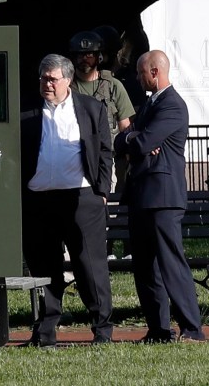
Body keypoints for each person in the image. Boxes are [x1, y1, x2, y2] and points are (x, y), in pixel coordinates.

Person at [20, 53, 114, 348]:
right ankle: (45, 332)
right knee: (44, 268)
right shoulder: (26, 111)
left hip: (82, 199)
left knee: (90, 265)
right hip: (38, 201)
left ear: (68, 80)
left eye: (52, 79)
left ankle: (102, 330)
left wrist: (101, 191)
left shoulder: (89, 108)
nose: (47, 84)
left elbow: (105, 151)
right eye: (43, 78)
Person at [114, 49, 206, 343]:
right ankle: (158, 329)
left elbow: (141, 142)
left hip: (163, 196)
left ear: (154, 72)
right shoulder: (150, 104)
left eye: (141, 74)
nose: (138, 80)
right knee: (145, 266)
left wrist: (136, 139)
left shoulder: (172, 105)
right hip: (141, 194)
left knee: (170, 263)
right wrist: (133, 138)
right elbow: (127, 139)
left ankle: (192, 328)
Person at [68, 29, 136, 262]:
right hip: (74, 160)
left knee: (108, 207)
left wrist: (128, 157)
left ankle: (105, 251)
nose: (83, 59)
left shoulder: (113, 86)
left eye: (89, 54)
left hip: (109, 160)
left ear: (99, 57)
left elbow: (126, 126)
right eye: (79, 54)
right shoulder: (66, 87)